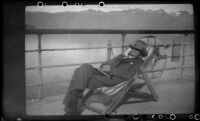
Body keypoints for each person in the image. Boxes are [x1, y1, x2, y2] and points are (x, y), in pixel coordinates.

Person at [63, 39, 148, 115]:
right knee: (85, 67)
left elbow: (127, 75)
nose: (134, 50)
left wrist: (110, 70)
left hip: (111, 80)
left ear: (140, 53)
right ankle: (73, 105)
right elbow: (108, 63)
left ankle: (72, 108)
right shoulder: (121, 56)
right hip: (103, 73)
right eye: (134, 48)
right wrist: (104, 65)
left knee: (79, 78)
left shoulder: (138, 63)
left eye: (137, 50)